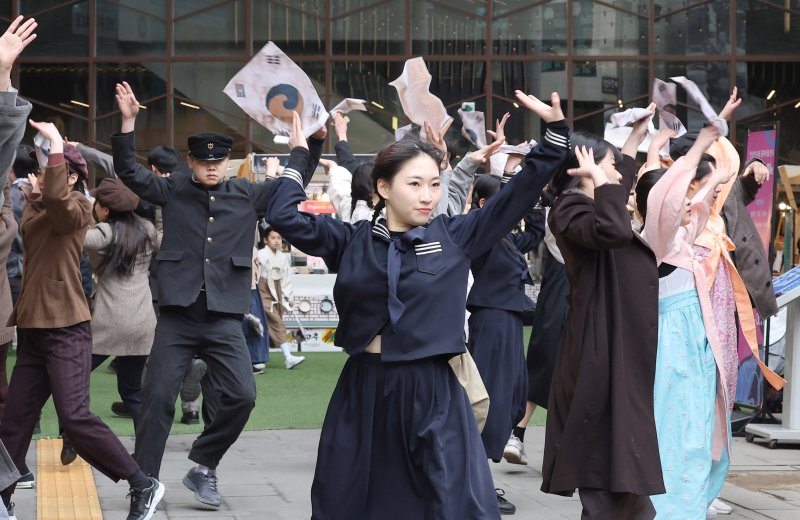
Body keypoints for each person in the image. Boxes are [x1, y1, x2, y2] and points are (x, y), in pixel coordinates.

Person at [265, 90, 569, 519]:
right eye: (414, 183)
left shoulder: (456, 235)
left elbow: (516, 195)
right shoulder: (349, 241)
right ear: (383, 187)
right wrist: (304, 152)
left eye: (434, 184)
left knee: (449, 503)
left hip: (434, 392)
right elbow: (281, 214)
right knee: (347, 501)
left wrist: (555, 134)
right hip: (364, 391)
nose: (427, 196)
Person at [112, 81, 321, 508]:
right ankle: (144, 484)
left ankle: (204, 466)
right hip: (177, 315)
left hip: (226, 314)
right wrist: (129, 122)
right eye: (204, 161)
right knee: (156, 399)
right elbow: (130, 174)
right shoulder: (172, 190)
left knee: (243, 396)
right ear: (190, 161)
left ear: (229, 162)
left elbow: (289, 189)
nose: (212, 167)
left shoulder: (246, 194)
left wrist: (309, 147)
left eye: (219, 161)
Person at [0, 119, 164, 519]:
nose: (37, 177)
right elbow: (44, 198)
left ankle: (142, 484)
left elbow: (58, 199)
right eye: (38, 171)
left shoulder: (76, 208)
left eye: (46, 171)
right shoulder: (40, 207)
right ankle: (1, 497)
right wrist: (45, 156)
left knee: (74, 417)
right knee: (15, 418)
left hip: (67, 329)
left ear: (71, 177)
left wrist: (56, 144)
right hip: (36, 328)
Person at [542, 109, 665, 519]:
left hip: (613, 343)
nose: (620, 179)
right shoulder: (569, 210)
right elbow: (612, 233)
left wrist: (634, 139)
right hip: (599, 350)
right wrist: (600, 178)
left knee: (617, 463)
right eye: (609, 167)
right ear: (586, 169)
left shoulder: (589, 204)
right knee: (604, 459)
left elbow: (618, 188)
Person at [636, 124, 734, 519]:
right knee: (673, 428)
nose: (686, 207)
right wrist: (693, 153)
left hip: (697, 347)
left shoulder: (683, 236)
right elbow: (668, 203)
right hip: (671, 348)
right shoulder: (654, 241)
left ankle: (690, 502)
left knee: (698, 428)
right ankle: (667, 507)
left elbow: (703, 204)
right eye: (678, 202)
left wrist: (712, 169)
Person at [466, 173, 545, 515]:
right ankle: (477, 483)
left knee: (512, 394)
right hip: (491, 321)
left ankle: (477, 480)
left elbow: (536, 233)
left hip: (508, 320)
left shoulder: (508, 238)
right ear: (484, 204)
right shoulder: (481, 233)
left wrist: (536, 200)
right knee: (490, 402)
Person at [84, 178, 160, 429]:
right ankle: (146, 449)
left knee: (74, 379)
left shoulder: (100, 235)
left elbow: (72, 237)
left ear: (105, 209)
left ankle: (71, 433)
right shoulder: (147, 230)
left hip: (108, 320)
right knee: (131, 390)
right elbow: (163, 236)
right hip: (142, 319)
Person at [504, 185, 569, 468]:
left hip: (557, 286)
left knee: (544, 357)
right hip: (572, 283)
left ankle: (516, 433)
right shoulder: (572, 206)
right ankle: (560, 451)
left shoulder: (558, 205)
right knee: (565, 364)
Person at [257, 227, 305, 369]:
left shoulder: (283, 257)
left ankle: (259, 358)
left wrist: (289, 296)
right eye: (273, 238)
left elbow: (286, 278)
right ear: (266, 240)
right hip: (262, 290)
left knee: (270, 323)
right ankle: (288, 357)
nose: (277, 241)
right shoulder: (260, 254)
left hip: (277, 290)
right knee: (275, 321)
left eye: (279, 237)